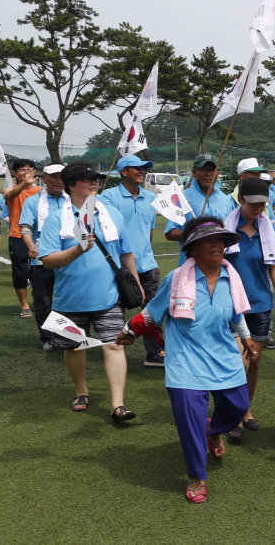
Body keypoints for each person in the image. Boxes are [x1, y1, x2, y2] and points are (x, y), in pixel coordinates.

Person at [119, 215, 257, 503]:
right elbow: (151, 313)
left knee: (238, 407)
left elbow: (236, 314)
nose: (217, 245)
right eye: (208, 241)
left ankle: (213, 429)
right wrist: (128, 330)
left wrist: (245, 338)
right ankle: (196, 476)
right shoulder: (177, 278)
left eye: (220, 240)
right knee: (189, 423)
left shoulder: (232, 276)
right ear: (192, 249)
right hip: (185, 361)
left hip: (223, 356)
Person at [40, 161, 143, 419]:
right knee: (73, 347)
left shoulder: (111, 214)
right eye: (87, 179)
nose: (95, 182)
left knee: (114, 346)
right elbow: (48, 260)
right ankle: (81, 390)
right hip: (68, 299)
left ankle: (118, 404)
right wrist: (78, 249)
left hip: (108, 296)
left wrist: (136, 282)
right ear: (71, 185)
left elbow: (126, 252)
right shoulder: (56, 219)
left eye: (96, 178)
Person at [222, 177, 275, 440]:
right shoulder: (225, 229)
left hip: (261, 303)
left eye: (263, 203)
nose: (259, 208)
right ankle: (232, 414)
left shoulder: (270, 230)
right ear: (241, 200)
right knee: (239, 360)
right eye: (253, 203)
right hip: (231, 304)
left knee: (254, 361)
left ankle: (245, 410)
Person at [99, 155, 164, 367]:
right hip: (118, 268)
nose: (143, 171)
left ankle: (154, 354)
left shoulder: (149, 197)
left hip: (148, 265)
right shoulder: (107, 197)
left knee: (153, 312)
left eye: (144, 168)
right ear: (123, 172)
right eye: (137, 168)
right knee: (115, 311)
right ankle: (114, 352)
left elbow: (150, 232)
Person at [18, 163, 68, 350]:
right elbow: (25, 227)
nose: (58, 181)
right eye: (54, 177)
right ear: (44, 178)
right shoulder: (33, 201)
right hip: (41, 258)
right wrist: (30, 246)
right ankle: (48, 337)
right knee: (43, 299)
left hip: (68, 258)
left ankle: (68, 335)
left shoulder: (71, 200)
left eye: (62, 177)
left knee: (67, 297)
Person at [165, 154, 236, 265]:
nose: (208, 174)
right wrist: (195, 233)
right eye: (203, 169)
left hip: (220, 266)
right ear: (194, 172)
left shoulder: (226, 200)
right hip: (190, 265)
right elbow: (170, 233)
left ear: (218, 173)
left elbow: (231, 231)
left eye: (213, 170)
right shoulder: (181, 197)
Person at [4, 159, 41, 318]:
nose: (26, 172)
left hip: (40, 237)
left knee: (42, 272)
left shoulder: (41, 191)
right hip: (18, 236)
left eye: (29, 169)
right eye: (22, 170)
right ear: (15, 173)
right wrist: (25, 184)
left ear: (34, 171)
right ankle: (24, 305)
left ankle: (42, 302)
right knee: (20, 273)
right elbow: (10, 195)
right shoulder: (11, 190)